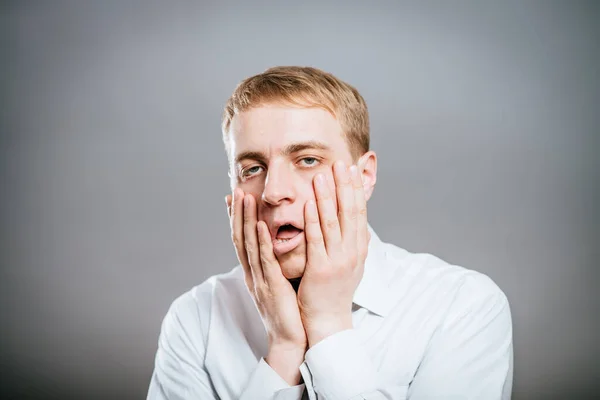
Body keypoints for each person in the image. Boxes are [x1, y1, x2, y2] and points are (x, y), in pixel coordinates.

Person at [147, 66, 513, 400]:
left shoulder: (462, 306)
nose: (273, 192)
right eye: (252, 168)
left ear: (364, 177)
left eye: (307, 159)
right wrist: (285, 349)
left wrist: (329, 325)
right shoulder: (196, 319)